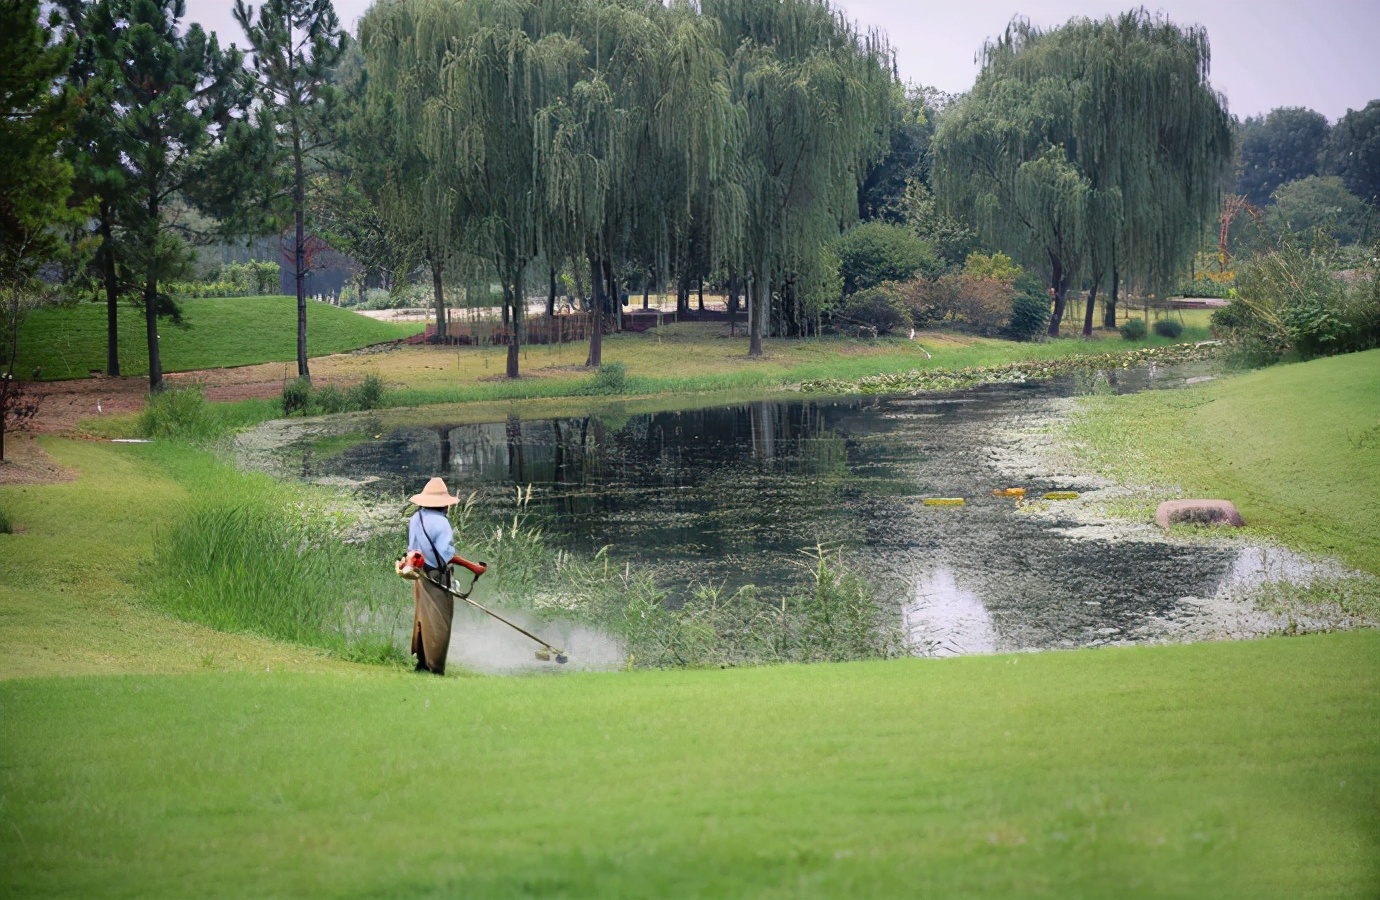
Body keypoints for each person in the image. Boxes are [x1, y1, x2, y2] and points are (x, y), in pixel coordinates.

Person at [406, 477, 467, 675]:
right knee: (441, 620)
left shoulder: (415, 518)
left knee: (423, 618)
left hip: (420, 573)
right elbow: (446, 554)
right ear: (444, 505)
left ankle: (422, 663)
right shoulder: (442, 523)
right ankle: (436, 667)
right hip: (438, 576)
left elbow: (412, 548)